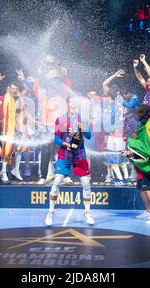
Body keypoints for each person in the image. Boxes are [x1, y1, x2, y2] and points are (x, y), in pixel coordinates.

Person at [45, 96, 94, 227]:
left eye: (75, 102)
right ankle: (50, 213)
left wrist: (83, 127)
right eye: (71, 102)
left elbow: (89, 137)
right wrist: (65, 143)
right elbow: (56, 139)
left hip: (79, 155)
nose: (73, 104)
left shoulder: (81, 120)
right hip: (65, 154)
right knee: (56, 182)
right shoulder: (60, 119)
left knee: (86, 183)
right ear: (67, 104)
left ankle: (88, 213)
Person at [123, 104, 150, 225]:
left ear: (143, 114)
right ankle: (149, 211)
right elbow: (146, 144)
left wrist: (131, 144)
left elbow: (144, 146)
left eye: (139, 113)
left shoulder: (147, 126)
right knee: (142, 186)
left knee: (148, 187)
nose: (137, 116)